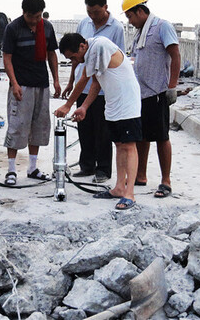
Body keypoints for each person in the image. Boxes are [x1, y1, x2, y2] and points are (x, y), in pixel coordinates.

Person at [56, 33, 141, 210]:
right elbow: (96, 83)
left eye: (73, 57)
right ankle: (119, 187)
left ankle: (129, 193)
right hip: (112, 103)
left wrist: (68, 105)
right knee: (118, 144)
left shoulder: (99, 46)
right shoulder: (91, 52)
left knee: (129, 145)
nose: (75, 61)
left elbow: (84, 80)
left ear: (81, 46)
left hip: (127, 103)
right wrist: (84, 107)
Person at [61, 0, 125, 183]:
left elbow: (118, 58)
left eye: (96, 12)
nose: (93, 16)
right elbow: (76, 58)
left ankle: (103, 170)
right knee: (84, 127)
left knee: (103, 130)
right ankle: (87, 165)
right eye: (89, 12)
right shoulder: (84, 24)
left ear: (105, 7)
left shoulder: (116, 28)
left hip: (104, 87)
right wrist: (71, 81)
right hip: (83, 86)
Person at [122, 0, 181, 198]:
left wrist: (172, 85)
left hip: (157, 91)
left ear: (140, 11)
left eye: (130, 16)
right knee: (142, 136)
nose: (129, 21)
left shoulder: (162, 26)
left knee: (161, 136)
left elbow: (175, 54)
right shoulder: (140, 32)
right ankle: (141, 175)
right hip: (140, 93)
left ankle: (166, 181)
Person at [2, 0, 61, 185]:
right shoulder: (13, 28)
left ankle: (32, 167)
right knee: (17, 126)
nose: (35, 20)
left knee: (39, 126)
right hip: (21, 85)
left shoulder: (47, 27)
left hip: (41, 83)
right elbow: (7, 57)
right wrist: (14, 83)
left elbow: (51, 54)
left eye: (38, 16)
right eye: (31, 17)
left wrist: (56, 80)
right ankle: (11, 170)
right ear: (23, 12)